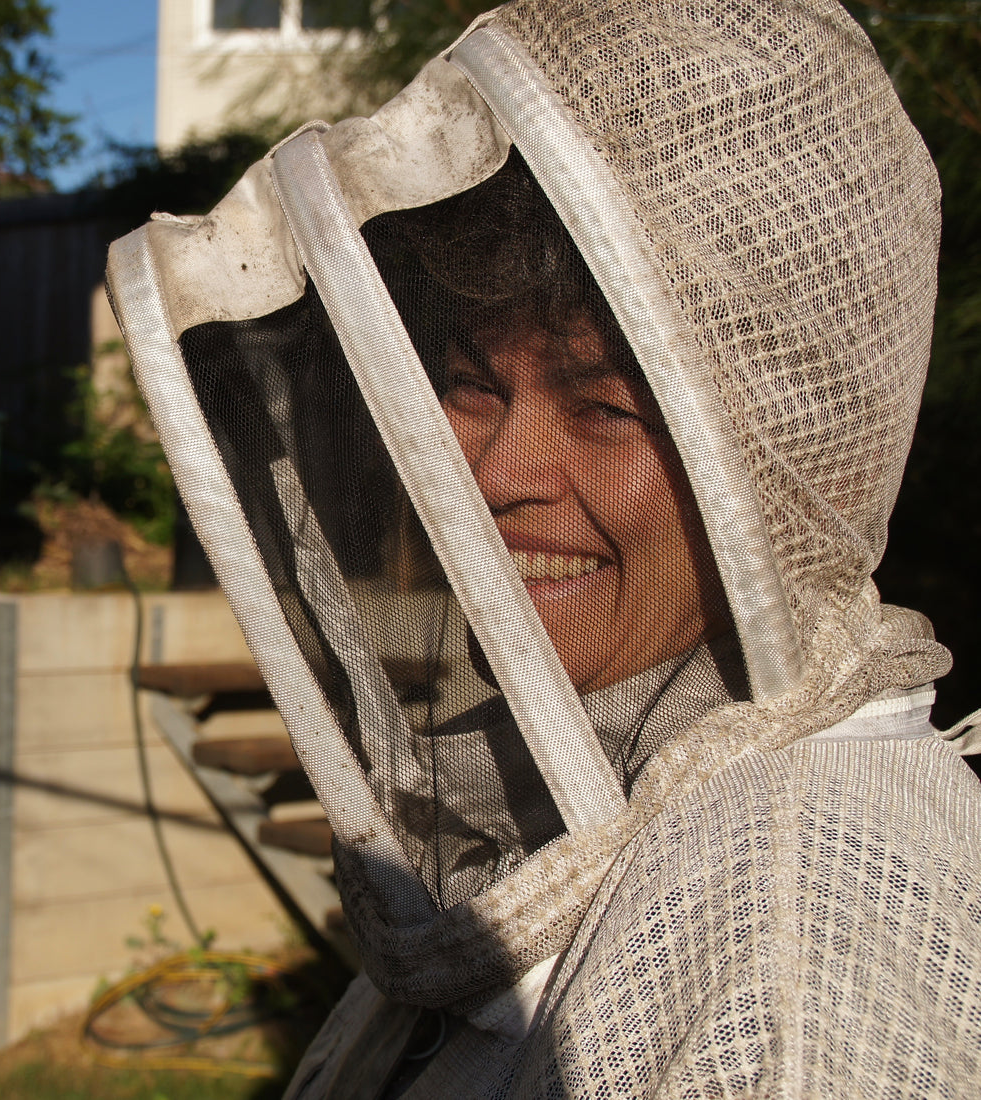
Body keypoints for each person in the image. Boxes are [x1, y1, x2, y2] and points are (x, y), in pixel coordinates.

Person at [107, 0, 981, 1094]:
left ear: (792, 462)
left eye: (606, 406)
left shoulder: (804, 943)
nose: (491, 475)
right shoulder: (597, 768)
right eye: (470, 386)